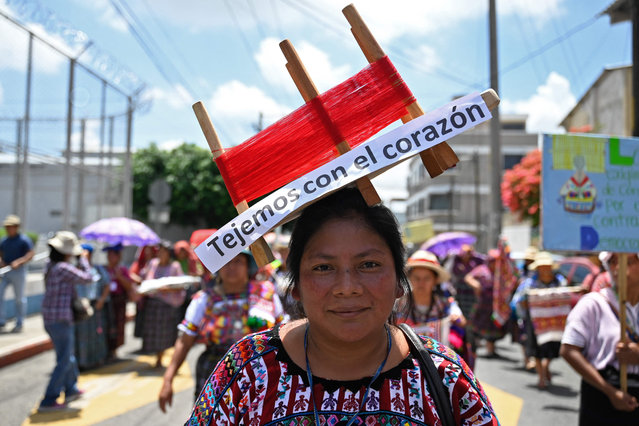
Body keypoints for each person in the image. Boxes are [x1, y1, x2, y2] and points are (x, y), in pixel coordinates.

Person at [186, 187, 498, 425]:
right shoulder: (248, 370)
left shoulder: (445, 377)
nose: (347, 288)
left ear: (399, 282)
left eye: (369, 264)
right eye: (323, 268)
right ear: (294, 286)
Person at [159, 250, 286, 411]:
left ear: (248, 267)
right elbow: (185, 342)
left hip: (261, 373)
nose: (231, 267)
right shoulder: (204, 299)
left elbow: (284, 333)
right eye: (225, 262)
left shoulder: (266, 294)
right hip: (215, 372)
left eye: (238, 261)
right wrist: (168, 380)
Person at [560, 252, 639, 424]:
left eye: (629, 261)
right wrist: (611, 392)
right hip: (601, 395)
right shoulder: (593, 304)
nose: (618, 268)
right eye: (612, 261)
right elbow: (568, 349)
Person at [38, 231, 93, 412]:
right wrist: (83, 259)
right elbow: (88, 277)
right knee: (64, 359)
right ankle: (49, 398)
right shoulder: (63, 268)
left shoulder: (50, 265)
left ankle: (71, 388)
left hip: (50, 318)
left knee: (67, 355)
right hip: (61, 319)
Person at [397, 250, 469, 363]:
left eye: (427, 278)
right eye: (417, 278)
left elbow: (461, 321)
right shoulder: (398, 304)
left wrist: (457, 320)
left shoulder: (446, 304)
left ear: (435, 280)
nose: (421, 283)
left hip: (438, 361)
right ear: (410, 278)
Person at [512, 251, 567, 389]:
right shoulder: (529, 283)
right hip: (535, 320)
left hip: (554, 320)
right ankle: (541, 376)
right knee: (536, 348)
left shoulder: (559, 281)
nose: (545, 269)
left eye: (547, 266)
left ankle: (545, 366)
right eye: (542, 266)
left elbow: (566, 297)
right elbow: (520, 300)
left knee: (552, 345)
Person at [139, 240, 184, 368]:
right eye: (160, 251)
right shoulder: (153, 264)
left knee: (164, 333)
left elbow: (180, 285)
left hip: (166, 305)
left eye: (164, 252)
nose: (161, 254)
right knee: (153, 333)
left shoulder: (175, 266)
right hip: (153, 303)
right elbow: (145, 278)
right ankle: (156, 356)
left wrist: (167, 289)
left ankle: (160, 357)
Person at [465, 249, 507, 358]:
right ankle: (472, 348)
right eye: (493, 261)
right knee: (476, 326)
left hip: (495, 305)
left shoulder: (501, 272)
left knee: (494, 327)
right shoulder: (482, 270)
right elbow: (468, 277)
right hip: (481, 304)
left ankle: (491, 350)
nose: (495, 264)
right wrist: (475, 285)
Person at [74, 243, 111, 370]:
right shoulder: (74, 269)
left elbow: (106, 284)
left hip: (94, 304)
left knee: (96, 333)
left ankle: (96, 359)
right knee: (80, 335)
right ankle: (81, 362)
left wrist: (101, 300)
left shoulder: (98, 269)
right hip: (79, 306)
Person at [103, 243, 139, 361]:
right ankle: (106, 350)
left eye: (112, 255)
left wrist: (119, 277)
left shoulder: (122, 270)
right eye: (109, 255)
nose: (110, 257)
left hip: (119, 302)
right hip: (107, 302)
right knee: (106, 326)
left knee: (118, 326)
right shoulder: (104, 269)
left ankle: (114, 350)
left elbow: (129, 286)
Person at [0, 214, 34, 332]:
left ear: (16, 227)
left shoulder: (23, 240)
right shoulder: (4, 241)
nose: (8, 229)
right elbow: (1, 254)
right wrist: (2, 262)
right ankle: (1, 321)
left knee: (19, 298)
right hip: (6, 272)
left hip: (18, 272)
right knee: (0, 295)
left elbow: (30, 254)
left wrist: (19, 262)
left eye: (11, 227)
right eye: (7, 227)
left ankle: (19, 322)